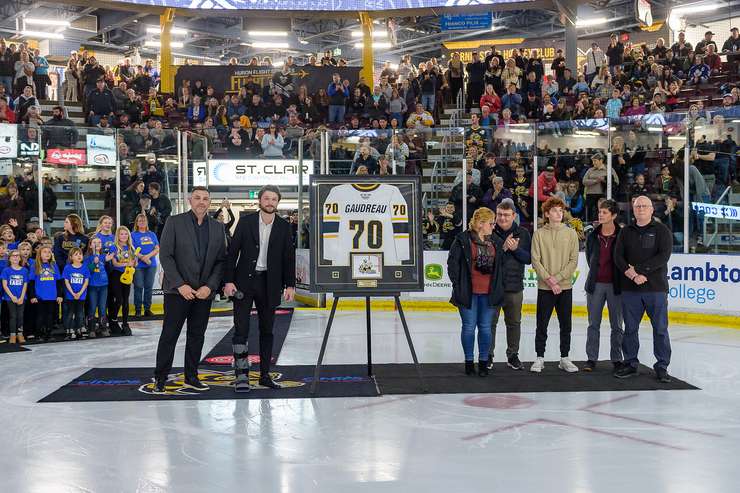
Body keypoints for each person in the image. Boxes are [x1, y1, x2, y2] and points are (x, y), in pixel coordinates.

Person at [223, 185, 296, 392]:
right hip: (244, 283)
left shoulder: (283, 226)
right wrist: (228, 281)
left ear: (278, 202)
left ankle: (264, 375)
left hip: (270, 284)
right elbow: (232, 253)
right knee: (241, 330)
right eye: (266, 198)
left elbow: (288, 258)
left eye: (274, 199)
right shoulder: (245, 223)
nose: (270, 202)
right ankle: (241, 376)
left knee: (267, 331)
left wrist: (290, 284)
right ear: (260, 201)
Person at [154, 187, 227, 393]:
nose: (201, 202)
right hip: (178, 292)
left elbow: (221, 261)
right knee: (170, 335)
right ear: (189, 200)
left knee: (197, 335)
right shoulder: (174, 222)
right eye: (197, 198)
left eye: (205, 198)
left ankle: (191, 376)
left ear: (209, 202)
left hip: (203, 293)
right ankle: (160, 377)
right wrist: (180, 284)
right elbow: (166, 256)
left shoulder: (217, 227)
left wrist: (210, 286)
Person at [614, 196, 673, 383]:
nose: (641, 209)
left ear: (651, 209)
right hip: (630, 289)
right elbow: (618, 257)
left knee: (661, 329)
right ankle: (631, 363)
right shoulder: (625, 232)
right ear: (633, 208)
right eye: (638, 206)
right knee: (630, 329)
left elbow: (663, 256)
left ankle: (662, 366)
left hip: (655, 289)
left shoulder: (662, 231)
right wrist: (631, 275)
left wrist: (638, 271)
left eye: (644, 206)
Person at [447, 207, 503, 377]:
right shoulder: (462, 239)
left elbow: (502, 266)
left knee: (486, 328)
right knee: (469, 327)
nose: (493, 226)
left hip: (489, 293)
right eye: (490, 223)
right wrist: (458, 285)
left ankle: (484, 362)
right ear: (480, 224)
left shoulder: (495, 241)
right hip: (468, 293)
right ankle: (469, 362)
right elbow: (453, 264)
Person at [530, 197, 580, 374]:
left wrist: (557, 279)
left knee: (565, 324)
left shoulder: (571, 233)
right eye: (555, 210)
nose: (559, 213)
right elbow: (535, 261)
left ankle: (564, 358)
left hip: (565, 288)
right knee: (541, 324)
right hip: (545, 288)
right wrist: (549, 281)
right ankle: (539, 357)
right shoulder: (539, 234)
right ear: (546, 214)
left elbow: (573, 261)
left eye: (561, 210)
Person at [486, 199, 531, 371]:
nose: (502, 218)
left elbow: (528, 259)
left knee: (514, 323)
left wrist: (515, 250)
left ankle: (513, 355)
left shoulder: (523, 233)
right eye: (499, 215)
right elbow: (486, 260)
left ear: (514, 216)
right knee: (490, 323)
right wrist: (503, 249)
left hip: (514, 287)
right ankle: (487, 355)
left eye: (506, 215)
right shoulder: (489, 232)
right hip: (493, 287)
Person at [584, 199, 624, 373]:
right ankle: (591, 359)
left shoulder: (622, 235)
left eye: (605, 212)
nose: (600, 215)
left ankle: (617, 359)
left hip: (616, 286)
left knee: (617, 325)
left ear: (613, 215)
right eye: (600, 212)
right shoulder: (593, 235)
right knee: (593, 324)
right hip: (596, 285)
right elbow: (589, 258)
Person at [29, 245, 62, 342]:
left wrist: (59, 295)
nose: (47, 254)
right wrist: (33, 295)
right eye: (45, 252)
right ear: (39, 254)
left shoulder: (54, 265)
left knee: (50, 315)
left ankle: (49, 333)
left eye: (49, 252)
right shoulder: (35, 265)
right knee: (40, 316)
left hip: (52, 296)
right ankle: (39, 334)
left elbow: (59, 281)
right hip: (40, 296)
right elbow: (31, 282)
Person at [108, 226, 137, 336]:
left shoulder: (131, 248)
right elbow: (115, 264)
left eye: (126, 234)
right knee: (119, 300)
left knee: (125, 301)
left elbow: (135, 263)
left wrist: (134, 263)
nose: (124, 236)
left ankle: (125, 323)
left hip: (127, 275)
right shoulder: (114, 247)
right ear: (118, 236)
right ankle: (113, 319)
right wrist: (127, 263)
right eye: (121, 234)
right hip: (116, 275)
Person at [131, 213, 160, 317]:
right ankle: (138, 309)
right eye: (140, 221)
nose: (142, 222)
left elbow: (157, 248)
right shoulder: (133, 234)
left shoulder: (152, 234)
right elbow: (132, 249)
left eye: (144, 220)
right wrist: (143, 257)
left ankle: (147, 309)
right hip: (138, 265)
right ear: (137, 223)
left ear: (147, 222)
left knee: (148, 287)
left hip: (151, 265)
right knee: (138, 287)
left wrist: (148, 256)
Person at [85, 237, 111, 338]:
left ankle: (103, 327)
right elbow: (87, 272)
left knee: (102, 307)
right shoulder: (87, 258)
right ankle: (91, 328)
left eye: (99, 242)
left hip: (104, 285)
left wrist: (108, 261)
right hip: (92, 285)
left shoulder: (105, 256)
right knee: (92, 306)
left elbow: (109, 270)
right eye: (94, 242)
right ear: (90, 245)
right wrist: (93, 264)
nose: (97, 244)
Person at [62, 247, 89, 340]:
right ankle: (69, 331)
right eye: (76, 254)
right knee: (70, 313)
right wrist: (73, 293)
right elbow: (66, 282)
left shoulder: (84, 267)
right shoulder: (67, 268)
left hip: (81, 295)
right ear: (71, 257)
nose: (79, 256)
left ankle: (79, 330)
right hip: (70, 295)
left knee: (80, 313)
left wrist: (80, 293)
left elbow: (86, 282)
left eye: (80, 254)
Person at [1, 250, 28, 344]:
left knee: (20, 316)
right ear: (9, 258)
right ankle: (12, 334)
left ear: (20, 258)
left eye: (17, 256)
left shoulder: (24, 270)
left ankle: (20, 334)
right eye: (13, 256)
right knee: (13, 316)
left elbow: (25, 285)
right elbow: (5, 285)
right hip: (10, 298)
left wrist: (21, 297)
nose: (15, 257)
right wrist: (12, 297)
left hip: (21, 298)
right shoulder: (6, 270)